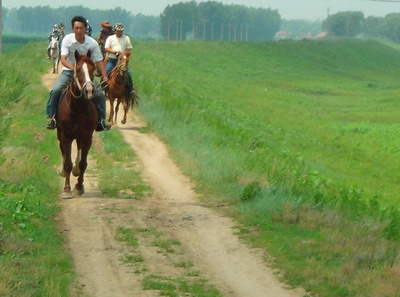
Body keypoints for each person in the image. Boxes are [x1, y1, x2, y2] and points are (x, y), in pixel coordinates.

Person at [45, 15, 111, 131]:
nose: (79, 31)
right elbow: (64, 58)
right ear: (72, 29)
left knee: (99, 95)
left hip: (86, 75)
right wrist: (74, 69)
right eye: (76, 28)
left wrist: (105, 76)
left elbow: (99, 61)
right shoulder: (67, 40)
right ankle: (52, 117)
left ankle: (101, 121)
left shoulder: (92, 43)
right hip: (69, 72)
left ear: (86, 29)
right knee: (56, 90)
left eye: (81, 28)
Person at [104, 23, 135, 100]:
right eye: (118, 31)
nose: (120, 32)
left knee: (128, 75)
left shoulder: (126, 38)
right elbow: (106, 48)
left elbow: (129, 50)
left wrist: (123, 54)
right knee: (107, 71)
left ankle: (130, 90)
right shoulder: (110, 38)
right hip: (112, 59)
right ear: (115, 31)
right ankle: (104, 88)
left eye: (121, 31)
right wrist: (115, 52)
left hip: (122, 60)